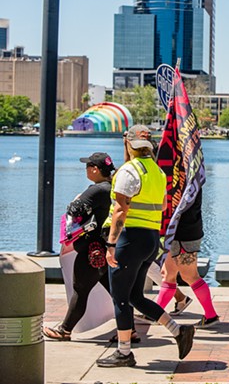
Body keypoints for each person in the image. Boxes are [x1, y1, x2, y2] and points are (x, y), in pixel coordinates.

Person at [96, 125, 194, 367]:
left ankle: (124, 352)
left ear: (129, 144)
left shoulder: (128, 171)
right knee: (135, 296)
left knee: (120, 298)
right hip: (150, 239)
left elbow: (120, 210)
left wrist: (111, 244)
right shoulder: (158, 172)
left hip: (129, 240)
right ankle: (177, 331)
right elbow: (161, 206)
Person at [43, 153, 116, 341]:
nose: (86, 170)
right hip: (108, 246)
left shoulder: (96, 190)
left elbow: (74, 209)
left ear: (95, 169)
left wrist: (76, 199)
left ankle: (64, 330)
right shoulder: (114, 187)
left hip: (92, 250)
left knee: (80, 290)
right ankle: (129, 329)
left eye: (87, 166)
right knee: (117, 291)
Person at [154, 191, 219, 328]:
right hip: (179, 232)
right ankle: (154, 314)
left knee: (190, 276)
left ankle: (211, 315)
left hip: (182, 233)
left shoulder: (184, 176)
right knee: (168, 274)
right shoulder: (191, 174)